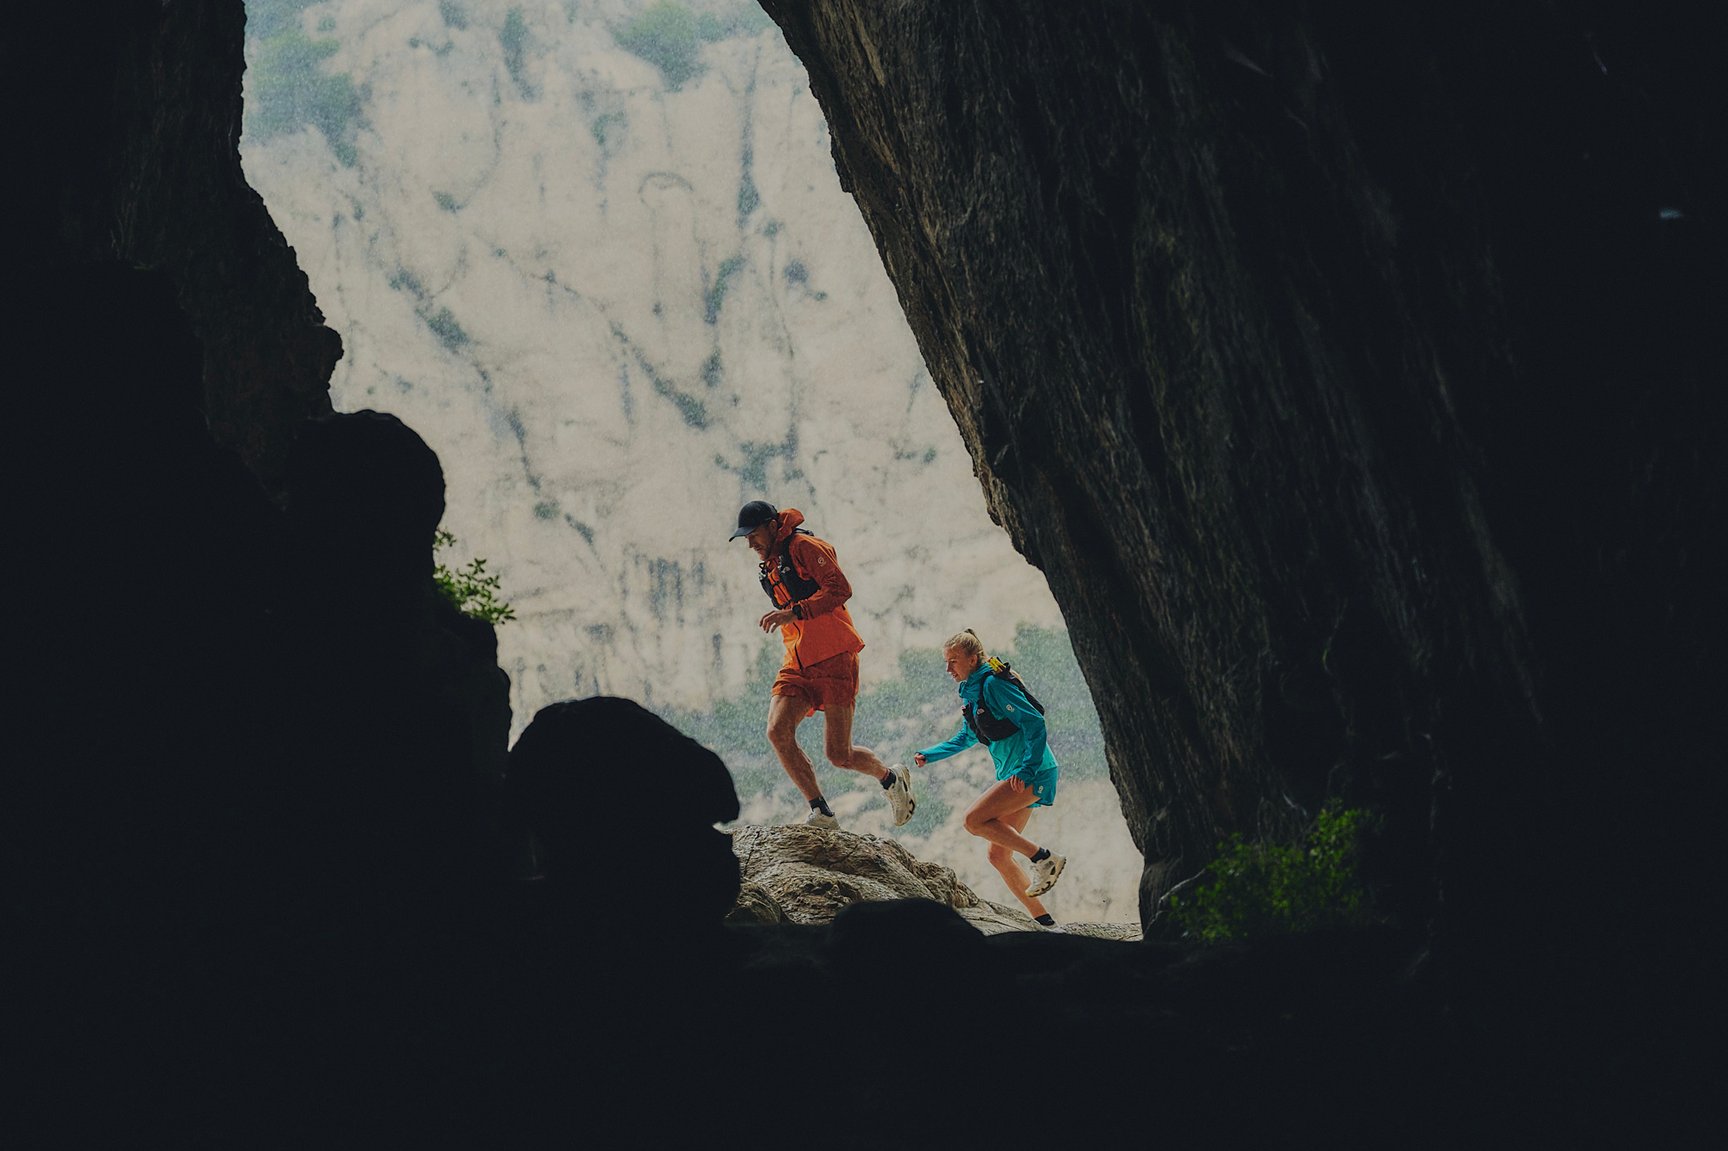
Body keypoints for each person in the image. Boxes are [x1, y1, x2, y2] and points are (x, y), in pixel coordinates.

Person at [729, 500, 915, 831]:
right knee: (777, 731)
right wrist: (793, 618)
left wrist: (796, 611)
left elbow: (840, 589)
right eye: (745, 538)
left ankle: (890, 778)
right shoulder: (771, 563)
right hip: (797, 660)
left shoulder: (803, 546)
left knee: (838, 754)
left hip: (834, 655)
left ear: (772, 527)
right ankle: (821, 811)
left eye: (753, 535)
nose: (750, 544)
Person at [913, 629, 1067, 928]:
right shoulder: (973, 695)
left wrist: (1027, 767)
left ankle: (1044, 858)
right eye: (946, 662)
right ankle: (1046, 924)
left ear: (973, 659)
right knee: (998, 855)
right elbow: (967, 737)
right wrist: (929, 754)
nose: (949, 669)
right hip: (1015, 774)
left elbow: (1034, 722)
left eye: (954, 661)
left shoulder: (994, 684)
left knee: (973, 820)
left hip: (1032, 771)